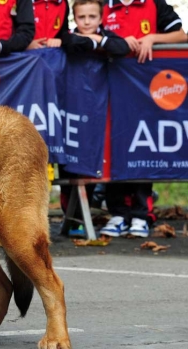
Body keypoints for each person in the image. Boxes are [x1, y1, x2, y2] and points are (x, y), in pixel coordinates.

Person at [100, 0, 186, 237]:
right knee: (114, 148)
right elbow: (91, 33)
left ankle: (140, 214)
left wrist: (152, 38)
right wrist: (116, 43)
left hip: (144, 90)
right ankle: (117, 213)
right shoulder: (103, 6)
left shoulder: (154, 4)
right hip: (109, 88)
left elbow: (181, 34)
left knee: (141, 151)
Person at [57, 0, 130, 237]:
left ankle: (116, 211)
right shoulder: (68, 37)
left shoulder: (108, 36)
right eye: (81, 17)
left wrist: (102, 40)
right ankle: (73, 218)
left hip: (101, 109)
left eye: (92, 17)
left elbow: (121, 47)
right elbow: (71, 44)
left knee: (106, 157)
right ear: (74, 19)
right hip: (70, 108)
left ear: (101, 18)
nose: (86, 22)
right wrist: (95, 42)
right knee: (69, 162)